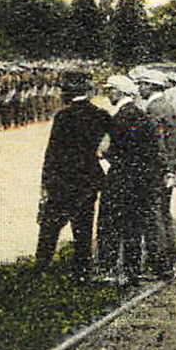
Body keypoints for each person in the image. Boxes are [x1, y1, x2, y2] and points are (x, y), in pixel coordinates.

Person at [34, 70, 112, 278]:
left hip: (63, 179)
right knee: (84, 227)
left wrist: (46, 182)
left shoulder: (63, 116)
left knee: (50, 226)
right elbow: (112, 144)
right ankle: (81, 269)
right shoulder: (101, 115)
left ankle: (42, 266)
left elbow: (53, 153)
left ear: (68, 92)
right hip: (89, 178)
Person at [96, 74, 164, 284]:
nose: (108, 94)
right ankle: (132, 270)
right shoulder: (143, 117)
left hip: (120, 177)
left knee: (110, 224)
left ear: (118, 92)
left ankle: (108, 269)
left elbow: (111, 151)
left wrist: (105, 156)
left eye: (109, 90)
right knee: (134, 226)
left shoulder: (118, 119)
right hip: (141, 179)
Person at [137, 68, 176, 276]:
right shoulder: (169, 107)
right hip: (168, 169)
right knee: (164, 213)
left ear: (150, 86)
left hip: (155, 171)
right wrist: (174, 168)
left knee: (153, 215)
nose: (139, 89)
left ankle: (160, 263)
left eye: (142, 85)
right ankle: (170, 256)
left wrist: (162, 168)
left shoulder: (154, 110)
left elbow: (157, 145)